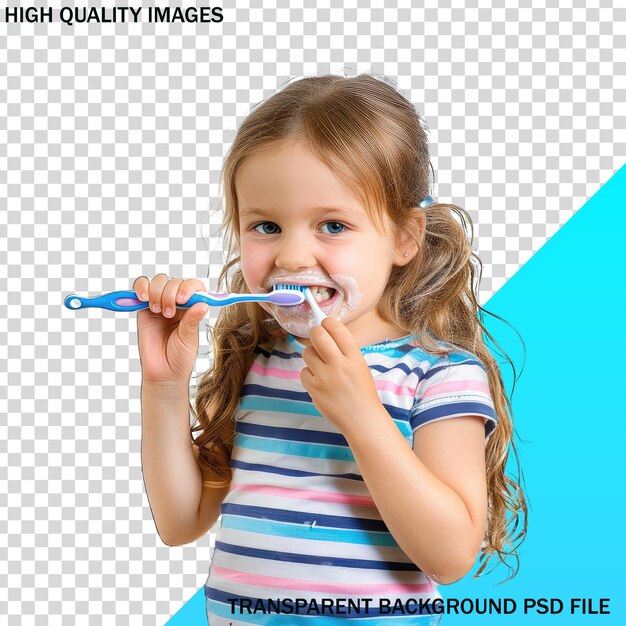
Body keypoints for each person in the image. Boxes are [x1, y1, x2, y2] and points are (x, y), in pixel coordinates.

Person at [135, 73, 527, 625]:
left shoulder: (439, 376)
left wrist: (362, 418)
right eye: (266, 225)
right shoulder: (255, 360)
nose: (293, 256)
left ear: (404, 237)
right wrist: (163, 385)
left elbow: (449, 555)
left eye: (333, 225)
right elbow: (181, 522)